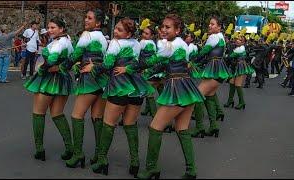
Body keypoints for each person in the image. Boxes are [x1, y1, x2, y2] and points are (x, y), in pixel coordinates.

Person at [81, 17, 155, 177]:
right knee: (130, 124)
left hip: (119, 87)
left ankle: (102, 161)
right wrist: (128, 68)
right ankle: (135, 162)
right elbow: (146, 62)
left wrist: (93, 67)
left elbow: (107, 65)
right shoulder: (138, 43)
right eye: (116, 29)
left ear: (128, 34)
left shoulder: (115, 43)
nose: (115, 31)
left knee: (108, 124)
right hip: (136, 87)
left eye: (120, 30)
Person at [137, 14, 204, 179]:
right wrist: (147, 73)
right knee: (182, 129)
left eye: (168, 27)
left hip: (177, 89)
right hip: (187, 87)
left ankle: (151, 168)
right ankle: (191, 170)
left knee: (155, 127)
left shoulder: (171, 46)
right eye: (163, 26)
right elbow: (165, 64)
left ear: (178, 30)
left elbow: (151, 61)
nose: (164, 30)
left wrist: (129, 68)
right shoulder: (179, 44)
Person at [61, 9, 108, 169]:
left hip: (89, 79)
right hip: (101, 80)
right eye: (85, 17)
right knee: (97, 117)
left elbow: (75, 55)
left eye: (89, 18)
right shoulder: (103, 38)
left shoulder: (87, 35)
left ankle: (78, 153)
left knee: (76, 115)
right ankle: (99, 156)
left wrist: (62, 67)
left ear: (98, 23)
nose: (86, 20)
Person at [23, 17, 74, 162]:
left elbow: (51, 60)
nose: (50, 30)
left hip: (49, 79)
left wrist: (41, 69)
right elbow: (73, 58)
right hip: (63, 79)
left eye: (53, 28)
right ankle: (69, 148)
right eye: (49, 28)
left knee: (38, 113)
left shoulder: (58, 43)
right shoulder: (68, 41)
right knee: (57, 114)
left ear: (61, 29)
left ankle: (40, 149)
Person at [192, 16, 231, 138]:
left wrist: (193, 61)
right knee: (209, 97)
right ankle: (213, 126)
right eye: (209, 24)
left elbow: (204, 52)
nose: (210, 26)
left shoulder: (213, 37)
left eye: (212, 24)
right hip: (219, 70)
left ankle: (199, 127)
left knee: (197, 96)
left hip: (213, 70)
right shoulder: (221, 38)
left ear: (219, 27)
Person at [224, 36, 254, 110]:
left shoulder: (240, 49)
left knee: (237, 84)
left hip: (240, 68)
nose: (237, 40)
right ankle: (230, 100)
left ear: (243, 42)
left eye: (240, 40)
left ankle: (242, 102)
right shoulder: (236, 48)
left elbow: (230, 56)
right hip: (234, 67)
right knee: (231, 83)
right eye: (237, 39)